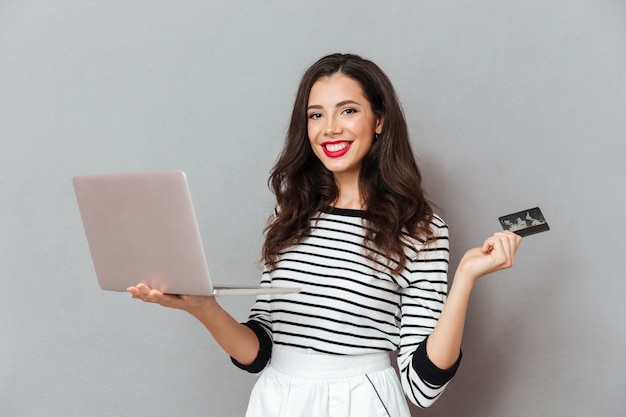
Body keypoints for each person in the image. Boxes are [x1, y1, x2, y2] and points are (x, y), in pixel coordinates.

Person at [128, 53, 522, 416]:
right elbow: (260, 352)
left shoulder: (420, 228)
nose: (329, 128)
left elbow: (421, 388)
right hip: (276, 400)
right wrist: (204, 308)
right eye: (316, 115)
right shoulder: (291, 214)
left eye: (348, 111)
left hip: (360, 401)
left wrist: (465, 279)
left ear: (379, 119)